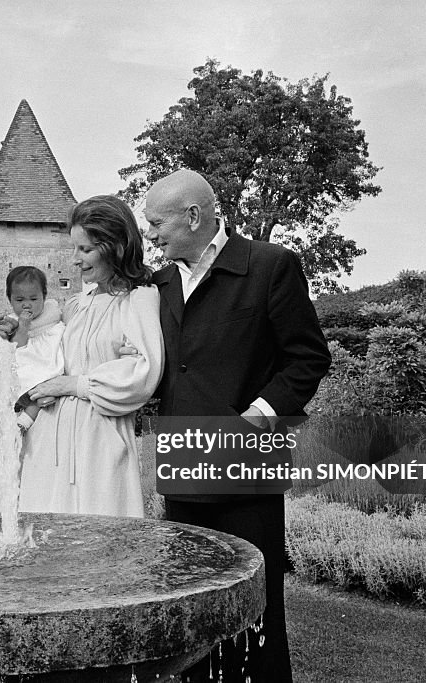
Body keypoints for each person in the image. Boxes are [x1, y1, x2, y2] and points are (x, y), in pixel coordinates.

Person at [143, 169, 331, 682]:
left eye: (157, 223)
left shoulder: (270, 266)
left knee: (254, 604)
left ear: (194, 216)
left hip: (249, 469)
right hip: (183, 466)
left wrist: (258, 418)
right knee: (188, 599)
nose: (151, 235)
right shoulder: (157, 284)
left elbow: (308, 358)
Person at [18, 195, 163, 517]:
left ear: (116, 247)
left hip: (99, 441)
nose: (75, 259)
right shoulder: (76, 304)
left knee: (102, 539)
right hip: (47, 441)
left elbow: (142, 373)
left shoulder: (139, 300)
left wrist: (74, 384)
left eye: (85, 250)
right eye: (74, 248)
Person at [3, 265, 66, 432]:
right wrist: (23, 325)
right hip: (27, 355)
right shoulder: (12, 321)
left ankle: (26, 419)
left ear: (44, 296)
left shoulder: (53, 312)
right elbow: (18, 346)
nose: (27, 305)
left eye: (33, 299)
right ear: (9, 299)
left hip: (47, 353)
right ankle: (23, 416)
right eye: (20, 300)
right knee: (24, 377)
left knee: (46, 383)